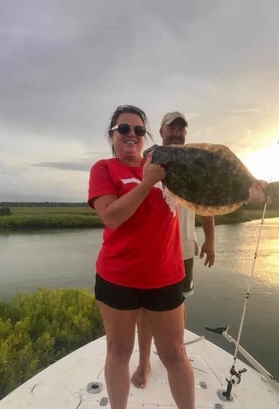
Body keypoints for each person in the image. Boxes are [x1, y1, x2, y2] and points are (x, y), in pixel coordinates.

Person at [88, 105, 195, 409]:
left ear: (146, 136)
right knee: (119, 352)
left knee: (175, 354)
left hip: (164, 277)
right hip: (118, 278)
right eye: (123, 129)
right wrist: (148, 182)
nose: (131, 135)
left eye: (138, 130)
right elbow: (110, 216)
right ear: (112, 135)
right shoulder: (105, 169)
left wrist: (249, 188)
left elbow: (204, 189)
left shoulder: (165, 165)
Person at [131, 111, 215, 389]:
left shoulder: (196, 164)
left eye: (182, 129)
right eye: (172, 128)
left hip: (184, 250)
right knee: (144, 309)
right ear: (162, 132)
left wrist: (210, 239)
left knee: (178, 303)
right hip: (153, 252)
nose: (177, 133)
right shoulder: (150, 159)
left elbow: (206, 203)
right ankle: (144, 360)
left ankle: (176, 353)